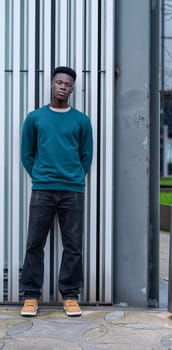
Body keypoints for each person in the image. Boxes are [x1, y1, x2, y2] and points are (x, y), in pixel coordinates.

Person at [20, 66, 93, 317]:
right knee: (34, 244)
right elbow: (27, 155)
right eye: (59, 82)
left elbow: (86, 156)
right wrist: (41, 175)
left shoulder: (81, 121)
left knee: (73, 246)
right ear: (52, 84)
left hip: (72, 191)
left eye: (68, 84)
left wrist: (73, 176)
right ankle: (30, 296)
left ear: (72, 89)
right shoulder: (35, 118)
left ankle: (70, 296)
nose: (63, 86)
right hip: (43, 189)